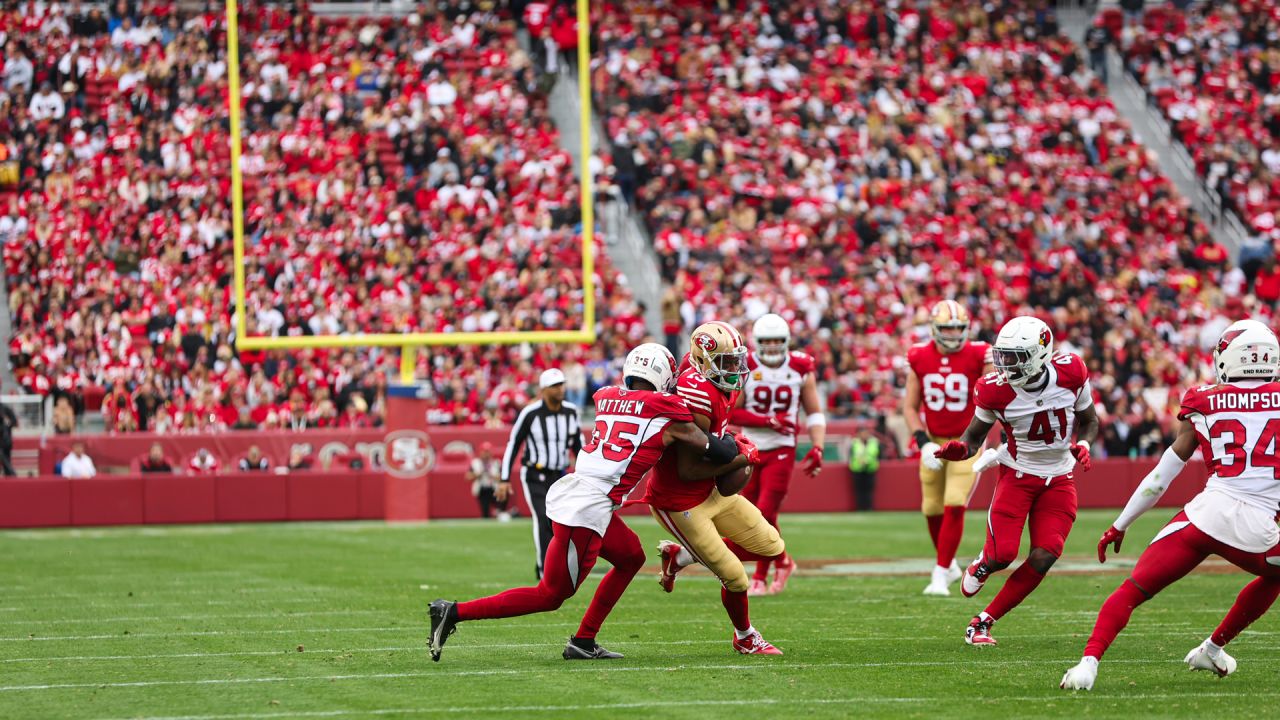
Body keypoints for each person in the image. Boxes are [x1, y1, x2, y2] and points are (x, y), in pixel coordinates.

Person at [429, 343, 754, 662]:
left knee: (631, 556)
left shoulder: (607, 396)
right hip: (589, 509)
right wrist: (738, 446)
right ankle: (454, 612)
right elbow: (721, 452)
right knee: (550, 595)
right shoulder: (666, 407)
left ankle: (584, 640)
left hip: (580, 493)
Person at [1061, 320, 1280, 690]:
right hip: (1256, 532)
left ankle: (1087, 665)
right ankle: (1213, 647)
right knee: (1275, 574)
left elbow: (1162, 477)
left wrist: (1120, 524)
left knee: (1132, 591)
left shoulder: (1203, 399)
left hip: (1201, 517)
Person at [934, 316, 1099, 646]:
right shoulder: (994, 390)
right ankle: (984, 563)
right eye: (1003, 355)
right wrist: (958, 450)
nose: (1006, 364)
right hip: (1017, 474)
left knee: (1046, 554)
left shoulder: (1071, 372)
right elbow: (972, 439)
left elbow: (1090, 420)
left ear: (1040, 354)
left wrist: (1085, 443)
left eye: (1015, 356)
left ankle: (983, 622)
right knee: (1002, 555)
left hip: (1059, 477)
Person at [647, 321, 786, 655]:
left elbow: (718, 459)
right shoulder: (694, 394)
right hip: (678, 500)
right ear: (702, 359)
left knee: (772, 546)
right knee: (736, 577)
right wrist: (742, 458)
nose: (735, 368)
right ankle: (745, 637)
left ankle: (680, 557)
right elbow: (689, 468)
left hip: (709, 490)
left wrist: (736, 453)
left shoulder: (721, 383)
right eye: (725, 362)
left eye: (736, 360)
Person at [729, 313, 824, 595]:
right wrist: (767, 421)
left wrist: (817, 446)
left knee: (765, 512)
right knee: (753, 512)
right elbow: (736, 410)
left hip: (782, 447)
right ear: (758, 342)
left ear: (785, 342)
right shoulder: (747, 367)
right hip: (752, 447)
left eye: (776, 341)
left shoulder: (800, 367)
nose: (771, 346)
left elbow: (814, 411)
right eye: (766, 341)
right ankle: (782, 562)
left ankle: (760, 574)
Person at [903, 301, 993, 596]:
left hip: (967, 440)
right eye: (947, 328)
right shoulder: (919, 355)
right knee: (930, 507)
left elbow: (993, 397)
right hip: (935, 439)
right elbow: (910, 407)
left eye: (958, 328)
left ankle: (940, 573)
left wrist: (980, 439)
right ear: (934, 329)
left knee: (955, 500)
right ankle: (949, 564)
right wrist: (923, 442)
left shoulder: (980, 354)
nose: (954, 334)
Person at [500, 367, 583, 579]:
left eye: (562, 385)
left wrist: (585, 474)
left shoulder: (571, 412)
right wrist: (504, 478)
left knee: (561, 523)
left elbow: (578, 446)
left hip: (559, 475)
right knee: (542, 518)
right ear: (544, 389)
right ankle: (544, 570)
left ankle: (555, 566)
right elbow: (513, 444)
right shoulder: (530, 413)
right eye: (555, 386)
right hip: (535, 475)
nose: (560, 389)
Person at [467, 442, 506, 520]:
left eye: (488, 452)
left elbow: (503, 478)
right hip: (482, 489)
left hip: (494, 488)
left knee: (502, 498)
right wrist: (478, 474)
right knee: (485, 512)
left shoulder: (496, 463)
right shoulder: (476, 463)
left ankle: (501, 513)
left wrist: (493, 476)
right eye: (484, 452)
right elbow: (468, 476)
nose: (486, 454)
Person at [848, 426, 880, 511]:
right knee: (859, 490)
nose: (865, 435)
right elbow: (851, 455)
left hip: (870, 469)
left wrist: (867, 461)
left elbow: (876, 454)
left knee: (869, 490)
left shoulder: (874, 442)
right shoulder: (854, 443)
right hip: (857, 469)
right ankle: (860, 507)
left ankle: (869, 507)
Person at [0, 401, 16, 476]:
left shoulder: (6, 409)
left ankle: (10, 474)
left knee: (6, 458)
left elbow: (14, 421)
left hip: (6, 440)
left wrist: (8, 423)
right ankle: (11, 474)